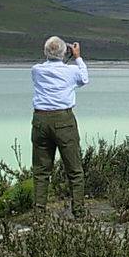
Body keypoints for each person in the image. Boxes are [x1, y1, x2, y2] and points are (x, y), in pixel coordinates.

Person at [30, 36, 89, 218]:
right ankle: (78, 212)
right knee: (74, 169)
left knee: (41, 171)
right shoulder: (71, 71)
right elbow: (84, 79)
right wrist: (77, 57)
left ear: (45, 52)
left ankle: (39, 214)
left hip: (40, 119)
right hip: (64, 120)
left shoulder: (36, 70)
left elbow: (51, 63)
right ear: (65, 52)